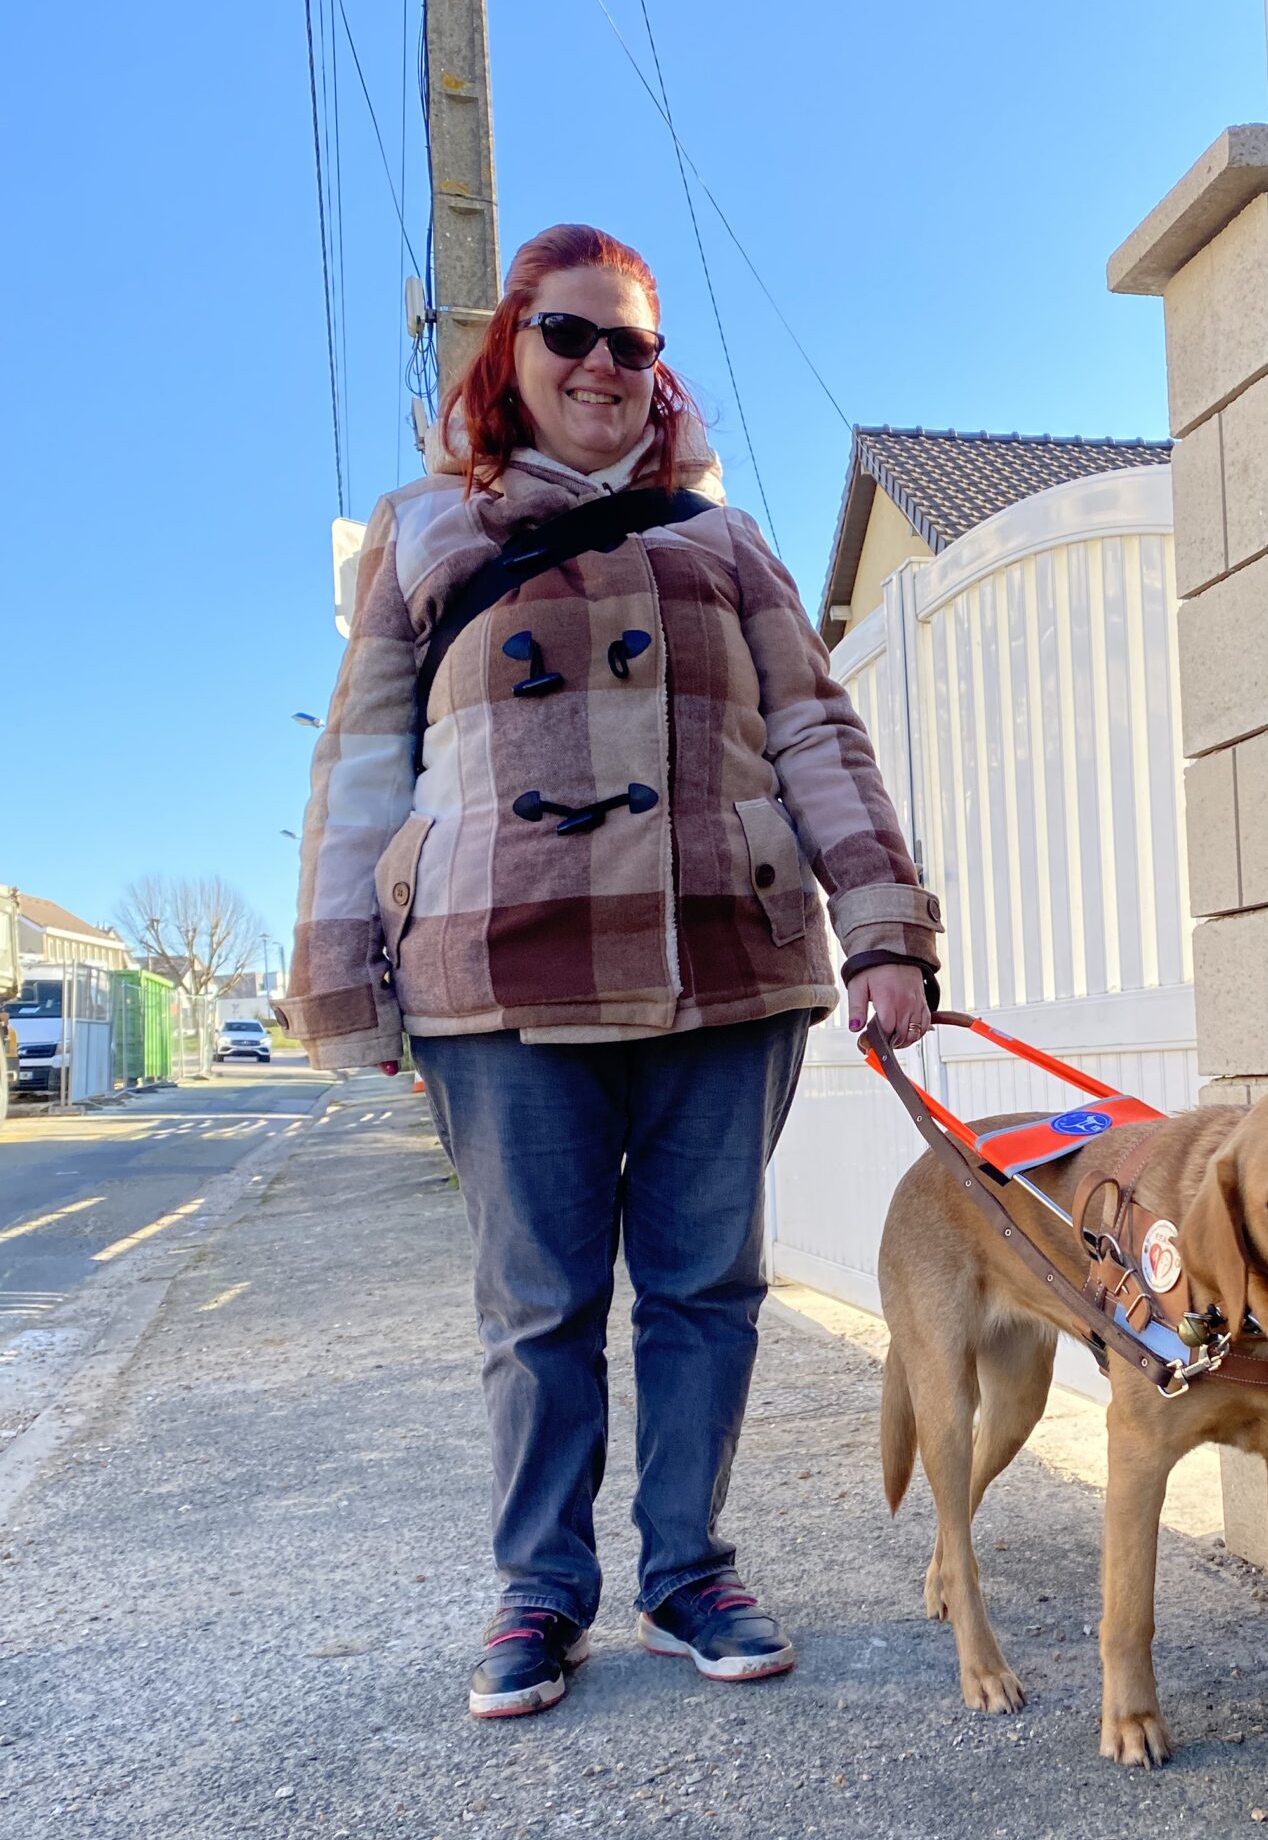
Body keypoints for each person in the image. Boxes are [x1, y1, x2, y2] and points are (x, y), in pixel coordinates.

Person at [282, 222, 940, 1720]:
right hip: (494, 970)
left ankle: (688, 1571)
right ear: (512, 354)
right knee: (538, 1301)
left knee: (708, 1287)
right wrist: (341, 979)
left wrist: (886, 925)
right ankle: (540, 1592)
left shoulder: (723, 540)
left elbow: (818, 735)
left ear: (660, 373)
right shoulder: (423, 530)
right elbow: (364, 763)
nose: (598, 364)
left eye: (629, 343)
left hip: (725, 951)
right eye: (568, 335)